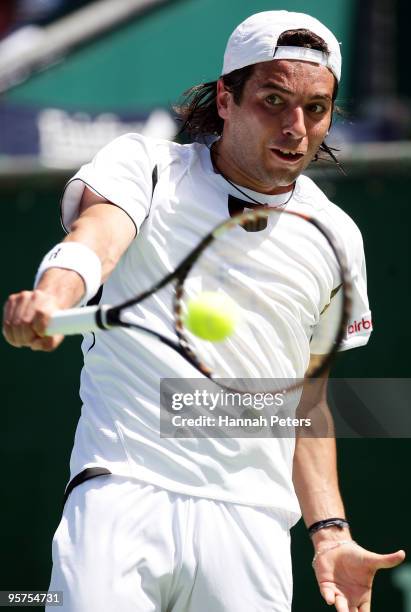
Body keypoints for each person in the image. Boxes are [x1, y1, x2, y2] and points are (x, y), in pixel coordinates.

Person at [2, 10, 405, 612]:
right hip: (123, 493)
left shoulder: (338, 238)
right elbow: (95, 238)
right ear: (226, 97)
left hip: (252, 528)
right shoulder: (147, 165)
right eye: (273, 99)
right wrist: (53, 296)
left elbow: (305, 398)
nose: (296, 127)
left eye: (316, 108)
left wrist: (330, 534)